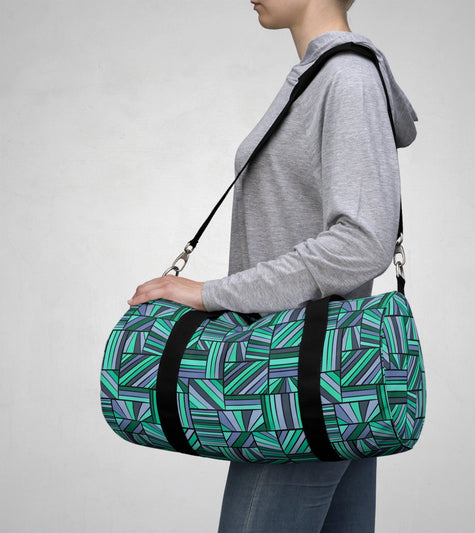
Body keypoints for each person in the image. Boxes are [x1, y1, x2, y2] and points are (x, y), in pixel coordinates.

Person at [128, 0, 418, 531]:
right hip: (311, 375)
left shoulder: (347, 80)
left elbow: (362, 243)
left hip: (298, 381)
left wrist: (209, 293)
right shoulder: (319, 78)